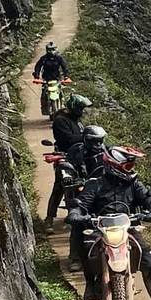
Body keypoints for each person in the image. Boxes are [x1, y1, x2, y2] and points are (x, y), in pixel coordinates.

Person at [68, 147, 151, 300]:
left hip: (127, 228)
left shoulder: (134, 184)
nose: (131, 170)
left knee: (146, 258)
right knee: (86, 246)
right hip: (101, 229)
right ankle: (90, 283)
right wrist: (77, 213)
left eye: (131, 166)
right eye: (128, 166)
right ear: (115, 166)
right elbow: (82, 203)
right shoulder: (95, 184)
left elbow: (147, 199)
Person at [62, 124, 109, 269]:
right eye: (94, 141)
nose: (98, 144)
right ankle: (75, 258)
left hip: (102, 190)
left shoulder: (107, 151)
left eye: (100, 140)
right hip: (81, 191)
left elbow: (117, 163)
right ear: (86, 140)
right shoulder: (76, 151)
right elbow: (67, 166)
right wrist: (68, 176)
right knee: (77, 223)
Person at [43, 95, 93, 229]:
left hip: (80, 156)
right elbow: (68, 139)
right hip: (65, 156)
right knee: (60, 184)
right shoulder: (60, 121)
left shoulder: (77, 121)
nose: (82, 111)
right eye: (81, 108)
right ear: (74, 108)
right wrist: (85, 137)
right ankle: (49, 218)